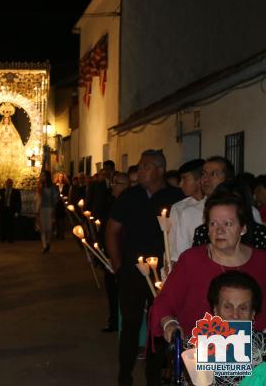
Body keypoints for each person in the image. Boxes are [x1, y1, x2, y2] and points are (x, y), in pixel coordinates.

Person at [106, 149, 184, 386]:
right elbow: (112, 230)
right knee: (129, 324)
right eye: (139, 166)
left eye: (145, 167)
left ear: (160, 170)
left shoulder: (176, 197)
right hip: (132, 272)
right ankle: (124, 375)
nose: (139, 171)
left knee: (159, 326)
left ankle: (154, 375)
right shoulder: (129, 196)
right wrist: (118, 266)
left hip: (164, 274)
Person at [152, 192, 266, 344]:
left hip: (255, 354)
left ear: (243, 228)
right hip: (199, 353)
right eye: (213, 224)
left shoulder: (262, 261)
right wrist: (169, 324)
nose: (219, 230)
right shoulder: (191, 260)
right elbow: (164, 302)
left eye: (227, 224)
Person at [98, 171, 130, 333]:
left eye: (117, 183)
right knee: (111, 289)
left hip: (122, 255)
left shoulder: (130, 206)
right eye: (113, 182)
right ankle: (114, 321)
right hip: (109, 254)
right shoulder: (110, 202)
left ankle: (123, 323)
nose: (113, 186)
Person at [168, 159, 206, 263]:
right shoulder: (179, 208)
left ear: (199, 179)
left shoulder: (214, 204)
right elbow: (173, 244)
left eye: (185, 179)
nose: (180, 184)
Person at [35, 170, 58, 254]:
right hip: (41, 209)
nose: (42, 177)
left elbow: (56, 198)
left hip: (49, 208)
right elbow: (37, 198)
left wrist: (53, 208)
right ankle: (44, 246)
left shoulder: (52, 186)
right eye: (41, 175)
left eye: (44, 175)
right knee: (42, 228)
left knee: (49, 228)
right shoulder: (39, 186)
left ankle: (48, 243)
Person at [0, 178, 22, 243]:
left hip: (11, 210)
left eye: (10, 183)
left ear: (12, 184)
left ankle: (10, 238)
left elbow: (19, 202)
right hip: (3, 210)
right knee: (2, 224)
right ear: (5, 183)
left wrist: (18, 211)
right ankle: (2, 238)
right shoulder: (1, 191)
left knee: (11, 225)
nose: (8, 184)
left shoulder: (16, 191)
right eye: (7, 182)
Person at [54, 172, 69, 239]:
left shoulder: (66, 185)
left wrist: (65, 197)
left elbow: (68, 194)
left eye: (62, 177)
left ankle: (62, 234)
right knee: (57, 219)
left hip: (63, 204)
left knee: (62, 219)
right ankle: (58, 233)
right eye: (60, 176)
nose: (61, 178)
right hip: (57, 204)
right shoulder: (55, 185)